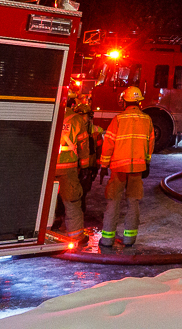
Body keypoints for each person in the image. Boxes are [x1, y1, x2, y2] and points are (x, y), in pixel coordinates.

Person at [98, 85, 154, 249]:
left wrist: (103, 165)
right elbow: (150, 145)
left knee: (113, 202)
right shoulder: (147, 120)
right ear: (139, 103)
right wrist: (147, 163)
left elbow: (108, 144)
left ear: (124, 101)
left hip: (118, 169)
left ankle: (107, 240)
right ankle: (129, 239)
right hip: (137, 169)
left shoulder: (118, 119)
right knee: (133, 203)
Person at [54, 86, 94, 245]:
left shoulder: (49, 114)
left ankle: (46, 231)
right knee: (71, 201)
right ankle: (76, 235)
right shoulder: (76, 120)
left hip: (48, 169)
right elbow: (84, 147)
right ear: (70, 102)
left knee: (47, 201)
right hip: (68, 169)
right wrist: (85, 167)